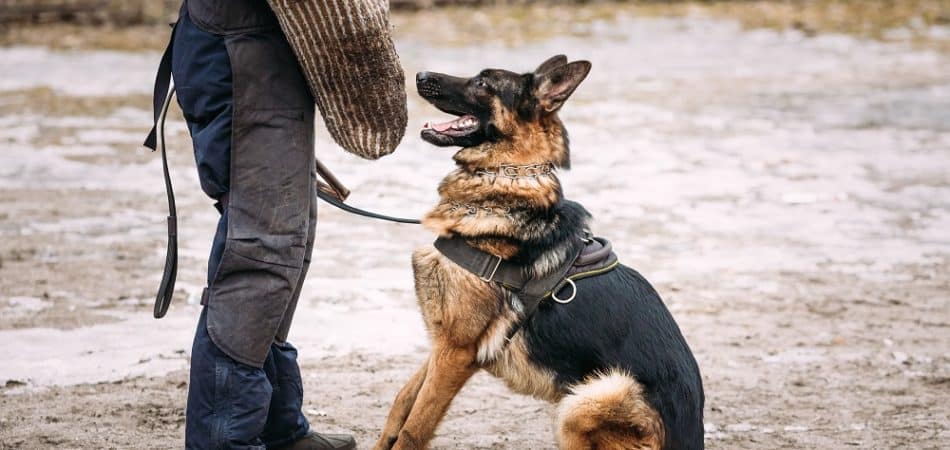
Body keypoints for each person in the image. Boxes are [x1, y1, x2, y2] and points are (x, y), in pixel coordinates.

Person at [155, 0, 355, 448]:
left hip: (264, 49)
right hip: (237, 54)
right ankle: (225, 441)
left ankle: (277, 427)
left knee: (289, 246)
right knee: (261, 254)